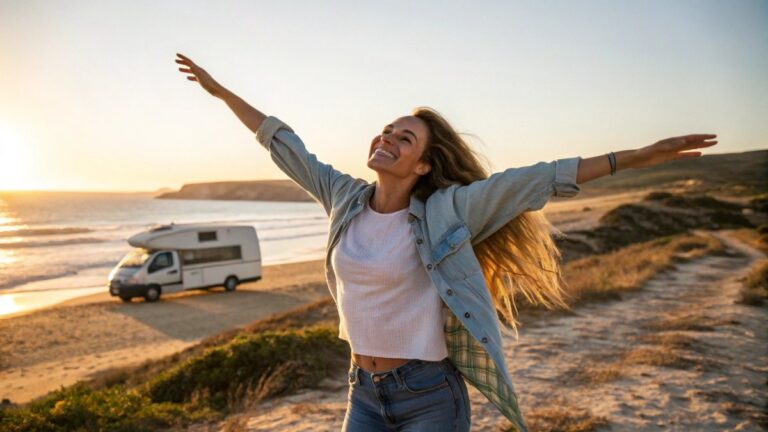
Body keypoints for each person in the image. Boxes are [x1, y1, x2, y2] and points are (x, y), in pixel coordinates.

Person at [175, 52, 718, 432]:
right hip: (362, 390)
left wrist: (637, 156)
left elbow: (536, 178)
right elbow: (283, 143)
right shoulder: (343, 197)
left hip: (429, 395)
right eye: (386, 131)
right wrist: (221, 93)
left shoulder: (448, 211)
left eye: (403, 138)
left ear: (425, 164)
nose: (387, 138)